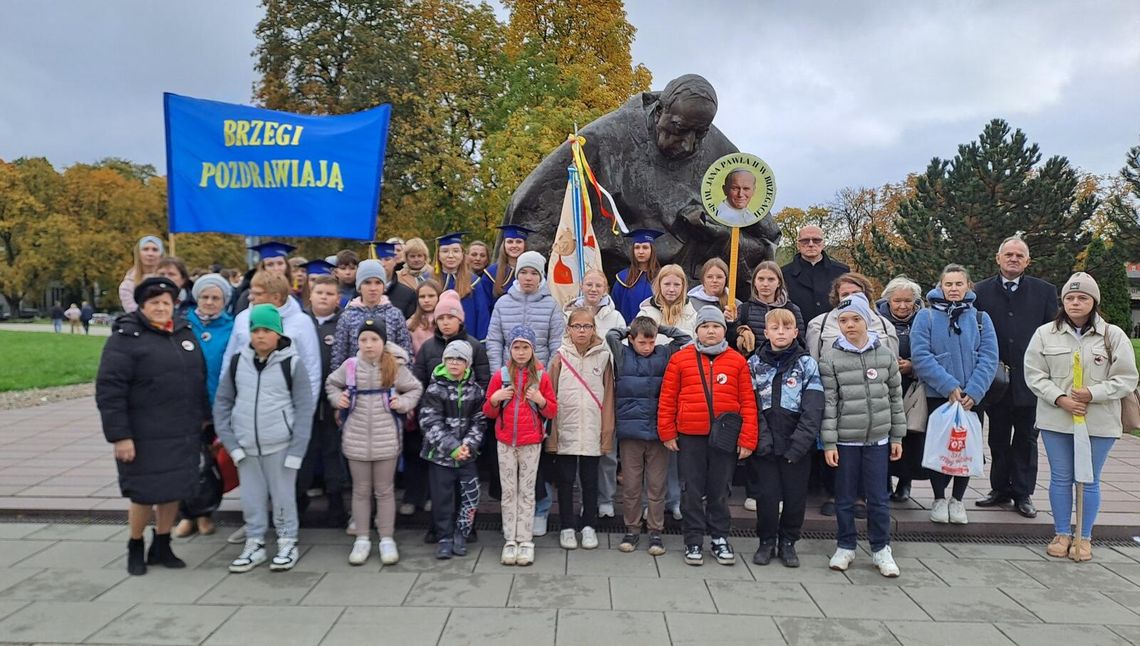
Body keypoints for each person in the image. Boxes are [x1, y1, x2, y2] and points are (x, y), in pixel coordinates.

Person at [502, 74, 780, 282]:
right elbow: (533, 210)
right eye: (679, 129)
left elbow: (763, 238)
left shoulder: (719, 151)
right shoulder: (606, 137)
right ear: (660, 112)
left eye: (699, 134)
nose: (687, 143)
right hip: (616, 279)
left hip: (687, 287)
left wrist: (717, 232)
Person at [96, 277, 210, 575]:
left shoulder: (184, 333)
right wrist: (120, 436)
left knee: (174, 489)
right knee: (144, 492)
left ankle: (163, 542)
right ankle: (135, 544)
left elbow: (198, 378)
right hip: (143, 433)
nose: (161, 308)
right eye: (154, 303)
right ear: (143, 306)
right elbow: (110, 390)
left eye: (166, 303)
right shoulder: (125, 338)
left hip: (182, 428)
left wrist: (204, 416)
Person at [1024, 272, 1138, 561]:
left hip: (1098, 420)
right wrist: (1060, 399)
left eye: (1082, 297)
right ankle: (1062, 533)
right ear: (1063, 301)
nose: (1076, 302)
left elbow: (1126, 378)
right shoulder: (1045, 334)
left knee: (1088, 478)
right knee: (1061, 477)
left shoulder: (1113, 335)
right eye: (1070, 297)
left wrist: (1094, 393)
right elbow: (1034, 374)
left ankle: (1084, 537)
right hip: (1056, 418)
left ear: (1093, 301)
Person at [214, 304, 315, 573]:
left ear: (277, 333)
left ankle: (287, 540)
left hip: (280, 444)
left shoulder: (292, 364)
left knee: (283, 498)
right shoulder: (238, 362)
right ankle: (255, 542)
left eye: (266, 330)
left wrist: (297, 450)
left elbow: (305, 408)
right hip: (246, 446)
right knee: (251, 498)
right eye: (255, 330)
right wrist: (231, 443)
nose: (260, 336)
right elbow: (223, 403)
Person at [658, 306, 758, 567]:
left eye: (715, 326)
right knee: (691, 490)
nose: (710, 331)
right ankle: (693, 539)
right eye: (705, 326)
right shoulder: (681, 359)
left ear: (723, 330)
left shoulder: (736, 361)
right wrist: (667, 431)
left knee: (720, 490)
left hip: (724, 437)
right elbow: (667, 398)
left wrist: (747, 439)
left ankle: (719, 537)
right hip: (690, 435)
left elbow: (747, 401)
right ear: (697, 330)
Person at [819, 293, 905, 578]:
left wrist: (896, 436)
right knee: (844, 497)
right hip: (846, 440)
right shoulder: (830, 357)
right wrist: (829, 441)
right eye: (843, 320)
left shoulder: (884, 355)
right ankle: (845, 545)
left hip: (878, 439)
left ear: (867, 321)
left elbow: (895, 396)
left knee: (878, 498)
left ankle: (881, 549)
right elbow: (829, 402)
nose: (850, 325)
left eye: (856, 319)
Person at [326, 319, 424, 565]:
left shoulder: (393, 366)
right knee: (360, 491)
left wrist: (401, 404)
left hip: (386, 439)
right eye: (363, 340)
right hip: (355, 438)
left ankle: (386, 538)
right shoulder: (350, 366)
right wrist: (338, 399)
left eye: (374, 339)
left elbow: (414, 388)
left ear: (383, 342)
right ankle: (361, 538)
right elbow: (331, 384)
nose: (368, 345)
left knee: (384, 491)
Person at [973, 236, 1059, 518]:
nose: (1013, 259)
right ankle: (999, 488)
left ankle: (1023, 493)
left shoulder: (1044, 292)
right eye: (1008, 254)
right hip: (995, 380)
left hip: (1030, 380)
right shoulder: (980, 292)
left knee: (1026, 439)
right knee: (997, 437)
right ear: (998, 258)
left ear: (1027, 261)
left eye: (1019, 255)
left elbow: (1053, 335)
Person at [484, 250, 565, 536]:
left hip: (536, 386)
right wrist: (500, 375)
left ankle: (539, 510)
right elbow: (494, 340)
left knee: (537, 457)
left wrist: (544, 380)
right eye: (523, 272)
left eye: (533, 273)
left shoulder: (552, 305)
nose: (528, 277)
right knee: (508, 454)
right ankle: (511, 518)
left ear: (541, 276)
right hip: (508, 385)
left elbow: (557, 344)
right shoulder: (504, 303)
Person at [911, 264, 999, 525]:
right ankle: (939, 497)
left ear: (968, 286)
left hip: (972, 397)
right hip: (940, 395)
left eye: (958, 284)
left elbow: (989, 356)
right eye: (948, 284)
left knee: (966, 448)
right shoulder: (925, 317)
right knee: (941, 447)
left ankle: (958, 499)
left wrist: (974, 389)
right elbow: (921, 355)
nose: (953, 289)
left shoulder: (981, 319)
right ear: (940, 286)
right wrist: (948, 385)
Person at [806, 272, 898, 516]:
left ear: (867, 297)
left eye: (855, 294)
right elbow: (813, 360)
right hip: (835, 397)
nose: (849, 298)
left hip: (871, 401)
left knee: (868, 450)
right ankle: (835, 494)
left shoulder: (884, 325)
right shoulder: (820, 324)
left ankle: (861, 497)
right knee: (833, 445)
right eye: (844, 294)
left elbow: (892, 367)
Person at [608, 316, 691, 556]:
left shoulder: (664, 354)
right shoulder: (623, 355)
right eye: (642, 342)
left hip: (658, 432)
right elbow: (611, 335)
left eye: (651, 342)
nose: (647, 347)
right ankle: (632, 528)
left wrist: (659, 327)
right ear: (632, 340)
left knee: (656, 486)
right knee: (632, 485)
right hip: (630, 432)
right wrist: (630, 329)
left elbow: (684, 338)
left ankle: (656, 530)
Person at [411, 290, 493, 529]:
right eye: (441, 318)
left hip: (466, 423)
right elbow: (419, 380)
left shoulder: (474, 346)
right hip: (436, 422)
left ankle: (465, 527)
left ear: (460, 320)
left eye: (450, 317)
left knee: (465, 484)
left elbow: (484, 380)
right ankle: (439, 529)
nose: (445, 322)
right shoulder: (427, 348)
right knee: (439, 485)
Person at [748, 308, 823, 568]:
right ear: (766, 332)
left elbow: (813, 408)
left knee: (794, 497)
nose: (781, 332)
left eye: (786, 327)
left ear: (795, 332)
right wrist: (761, 439)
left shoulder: (807, 364)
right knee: (767, 496)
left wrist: (800, 444)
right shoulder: (754, 364)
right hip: (765, 441)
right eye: (775, 328)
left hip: (796, 443)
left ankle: (788, 541)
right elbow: (750, 405)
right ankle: (766, 541)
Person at [484, 325, 558, 567]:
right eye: (516, 347)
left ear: (533, 349)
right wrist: (495, 399)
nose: (521, 352)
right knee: (508, 492)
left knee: (527, 492)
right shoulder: (501, 376)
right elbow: (488, 410)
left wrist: (540, 399)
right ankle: (510, 539)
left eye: (525, 347)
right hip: (505, 442)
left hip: (530, 442)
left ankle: (525, 539)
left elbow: (552, 410)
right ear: (510, 349)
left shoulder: (541, 376)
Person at [547, 307, 615, 551]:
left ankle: (589, 525)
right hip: (566, 428)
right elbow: (550, 396)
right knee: (565, 481)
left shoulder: (604, 357)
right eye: (577, 326)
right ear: (569, 329)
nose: (582, 331)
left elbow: (608, 398)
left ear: (594, 329)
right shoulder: (559, 357)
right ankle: (566, 526)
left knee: (590, 480)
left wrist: (606, 432)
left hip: (593, 429)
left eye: (587, 326)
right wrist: (553, 434)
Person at [173, 273, 235, 538]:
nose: (210, 302)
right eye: (205, 297)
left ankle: (207, 512)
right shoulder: (183, 325)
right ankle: (187, 514)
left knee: (213, 462)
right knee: (188, 461)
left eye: (216, 298)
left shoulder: (232, 327)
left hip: (218, 404)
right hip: (188, 404)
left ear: (224, 301)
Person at [563, 268, 626, 518]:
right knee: (579, 447)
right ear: (582, 286)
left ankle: (606, 498)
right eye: (588, 284)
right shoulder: (568, 314)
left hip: (606, 386)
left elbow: (622, 350)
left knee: (607, 448)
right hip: (577, 388)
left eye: (598, 285)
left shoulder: (617, 317)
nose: (593, 289)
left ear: (605, 289)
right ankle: (584, 498)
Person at [636, 263, 695, 520]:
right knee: (652, 449)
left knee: (675, 447)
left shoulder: (693, 314)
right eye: (666, 284)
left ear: (683, 287)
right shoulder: (645, 312)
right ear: (658, 286)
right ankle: (652, 500)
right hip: (653, 384)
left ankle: (675, 498)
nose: (671, 289)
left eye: (676, 284)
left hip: (683, 385)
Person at [420, 340, 486, 559]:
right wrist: (452, 448)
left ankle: (462, 533)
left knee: (469, 496)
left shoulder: (475, 390)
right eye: (450, 359)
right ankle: (445, 537)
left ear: (467, 364)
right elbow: (430, 422)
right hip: (440, 457)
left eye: (459, 359)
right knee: (442, 499)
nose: (454, 363)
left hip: (467, 456)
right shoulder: (434, 389)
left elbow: (479, 420)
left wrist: (468, 445)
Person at [298, 269, 349, 527]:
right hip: (304, 401)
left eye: (329, 294)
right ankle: (298, 500)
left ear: (338, 298)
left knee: (333, 451)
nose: (323, 298)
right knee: (304, 451)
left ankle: (336, 504)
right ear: (311, 294)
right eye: (319, 292)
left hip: (333, 401)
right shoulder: (300, 321)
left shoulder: (344, 323)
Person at [877, 276, 927, 502]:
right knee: (883, 434)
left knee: (910, 436)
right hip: (882, 385)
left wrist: (913, 366)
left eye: (908, 301)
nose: (903, 306)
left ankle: (905, 482)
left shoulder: (925, 320)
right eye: (897, 300)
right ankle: (884, 480)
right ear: (888, 300)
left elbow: (932, 351)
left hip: (912, 387)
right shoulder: (876, 321)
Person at [331, 259, 414, 367]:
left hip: (388, 379)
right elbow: (339, 356)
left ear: (384, 286)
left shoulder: (395, 315)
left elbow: (406, 353)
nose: (373, 288)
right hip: (357, 379)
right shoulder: (348, 316)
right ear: (359, 287)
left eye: (378, 283)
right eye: (367, 283)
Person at [728, 261, 806, 356]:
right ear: (754, 282)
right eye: (761, 279)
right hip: (753, 366)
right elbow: (732, 345)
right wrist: (731, 324)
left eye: (771, 279)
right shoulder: (744, 309)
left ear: (779, 282)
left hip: (786, 365)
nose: (765, 284)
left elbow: (801, 343)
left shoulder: (792, 309)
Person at [781, 226, 849, 325]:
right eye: (805, 241)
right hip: (797, 332)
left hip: (834, 331)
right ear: (798, 245)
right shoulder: (784, 274)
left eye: (816, 240)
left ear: (823, 244)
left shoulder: (842, 272)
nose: (811, 244)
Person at [435, 232, 492, 340]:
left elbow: (482, 317)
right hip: (437, 343)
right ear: (438, 255)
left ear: (463, 255)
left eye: (456, 251)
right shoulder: (430, 281)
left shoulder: (474, 282)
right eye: (445, 251)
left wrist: (481, 345)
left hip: (468, 342)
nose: (450, 255)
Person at [611, 229, 663, 324]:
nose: (641, 251)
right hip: (627, 331)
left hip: (656, 331)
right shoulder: (623, 278)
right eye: (637, 247)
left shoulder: (661, 278)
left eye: (645, 247)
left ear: (652, 250)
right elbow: (615, 307)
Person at [231, 241, 296, 314]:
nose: (276, 268)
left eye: (280, 263)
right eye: (270, 264)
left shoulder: (293, 295)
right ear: (263, 268)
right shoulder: (248, 296)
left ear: (287, 266)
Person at [482, 225, 533, 302]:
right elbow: (484, 304)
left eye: (519, 242)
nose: (514, 245)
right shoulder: (491, 273)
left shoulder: (535, 272)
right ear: (504, 245)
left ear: (525, 245)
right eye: (510, 242)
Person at [118, 235, 165, 313]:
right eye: (145, 249)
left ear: (161, 254)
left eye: (155, 250)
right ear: (138, 253)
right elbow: (133, 311)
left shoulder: (169, 279)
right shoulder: (128, 285)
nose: (150, 254)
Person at [408, 279, 442, 356]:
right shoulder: (410, 324)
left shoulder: (445, 321)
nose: (426, 300)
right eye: (422, 297)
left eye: (431, 296)